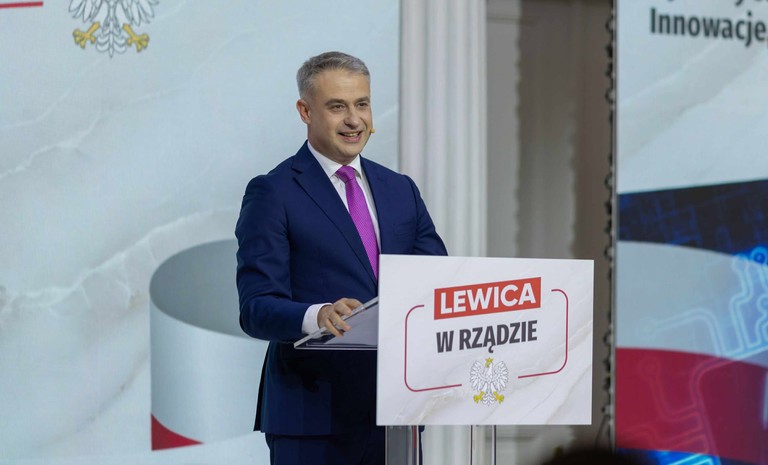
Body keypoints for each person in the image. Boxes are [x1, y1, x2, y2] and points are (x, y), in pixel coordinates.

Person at [235, 51, 447, 465]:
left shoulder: (400, 189)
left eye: (361, 104)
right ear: (305, 111)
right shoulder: (273, 192)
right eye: (337, 107)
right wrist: (318, 316)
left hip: (397, 415)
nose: (354, 120)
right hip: (312, 419)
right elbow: (256, 308)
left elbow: (436, 281)